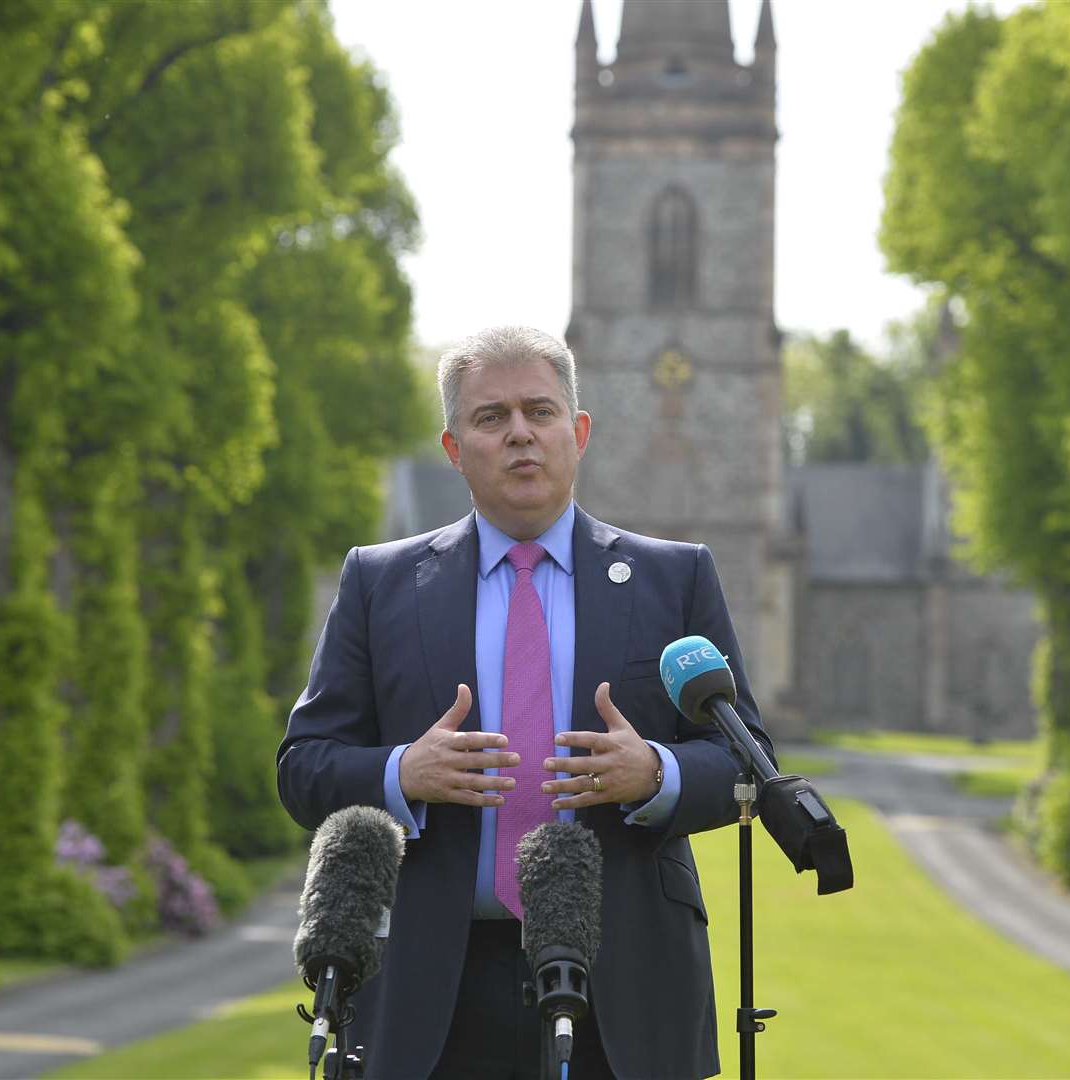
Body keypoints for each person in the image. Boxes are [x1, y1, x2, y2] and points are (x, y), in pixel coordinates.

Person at [277, 325, 774, 1080]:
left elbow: (748, 764)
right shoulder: (377, 584)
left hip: (625, 984)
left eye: (540, 413)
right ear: (453, 448)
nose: (520, 435)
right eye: (490, 418)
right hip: (428, 990)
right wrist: (402, 772)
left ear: (577, 433)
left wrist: (655, 774)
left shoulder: (674, 580)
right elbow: (304, 767)